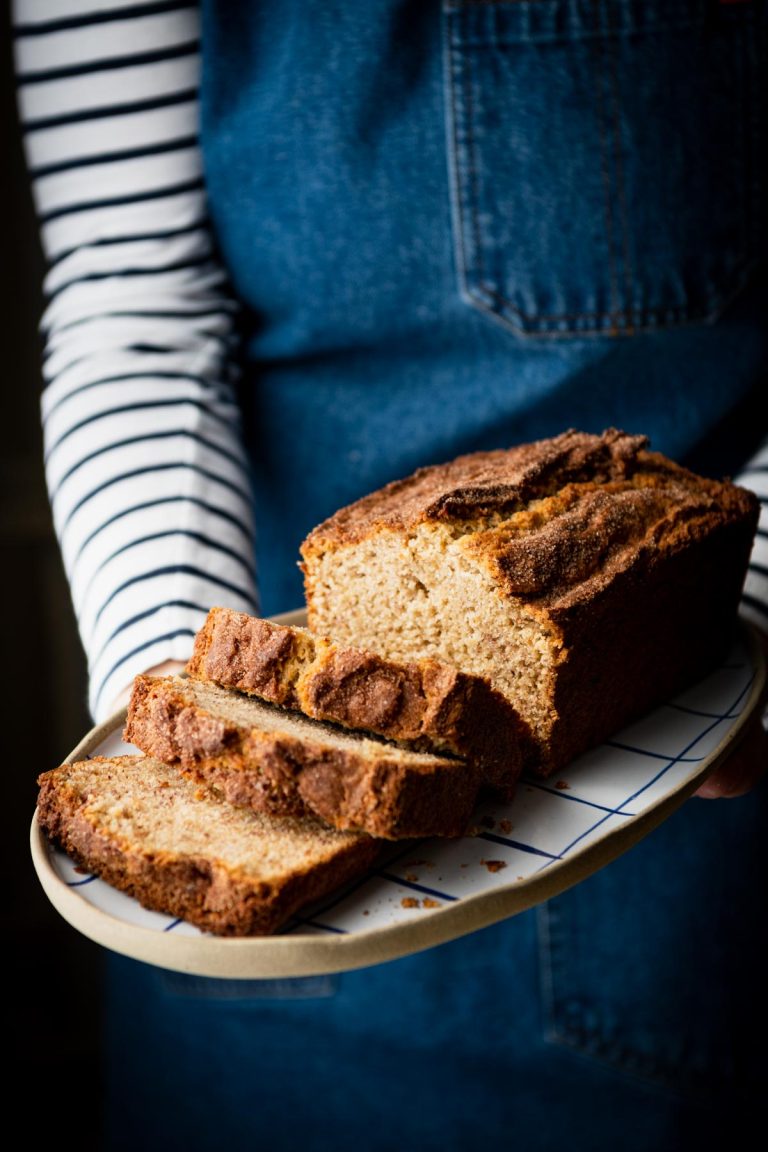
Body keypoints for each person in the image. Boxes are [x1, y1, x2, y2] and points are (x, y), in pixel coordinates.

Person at [13, 2, 768, 1149]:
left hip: (690, 889)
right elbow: (134, 294)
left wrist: (750, 598)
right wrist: (171, 697)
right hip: (241, 1013)